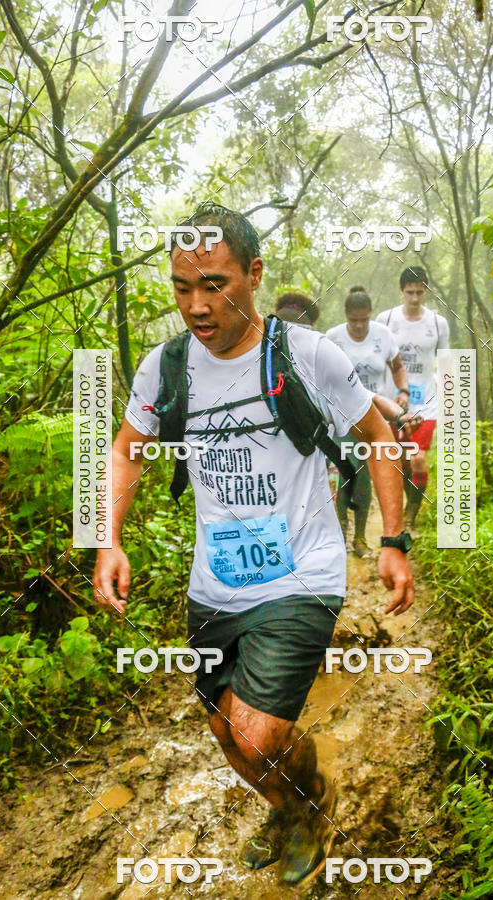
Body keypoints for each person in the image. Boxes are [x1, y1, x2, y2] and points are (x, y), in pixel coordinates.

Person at [93, 204, 414, 889]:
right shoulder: (165, 368)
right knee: (224, 736)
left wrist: (393, 539)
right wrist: (106, 541)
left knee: (256, 732)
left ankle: (310, 800)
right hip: (214, 586)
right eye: (183, 288)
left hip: (302, 574)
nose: (198, 306)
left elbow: (377, 436)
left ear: (254, 274)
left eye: (215, 284)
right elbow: (126, 453)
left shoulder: (308, 355)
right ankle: (291, 806)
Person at [326, 286, 409, 557]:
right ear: (346, 316)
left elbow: (397, 367)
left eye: (364, 320)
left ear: (370, 315)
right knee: (342, 476)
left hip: (373, 418)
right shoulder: (332, 338)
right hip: (340, 419)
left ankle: (359, 539)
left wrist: (403, 392)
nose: (359, 326)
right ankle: (338, 534)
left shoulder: (383, 336)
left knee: (363, 480)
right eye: (354, 320)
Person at [376, 266, 450, 529]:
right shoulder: (385, 320)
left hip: (426, 403)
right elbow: (378, 358)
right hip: (392, 402)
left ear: (426, 291)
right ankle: (405, 505)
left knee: (418, 458)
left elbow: (445, 362)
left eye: (420, 292)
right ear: (401, 291)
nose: (415, 298)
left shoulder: (438, 324)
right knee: (400, 460)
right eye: (410, 292)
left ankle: (412, 514)